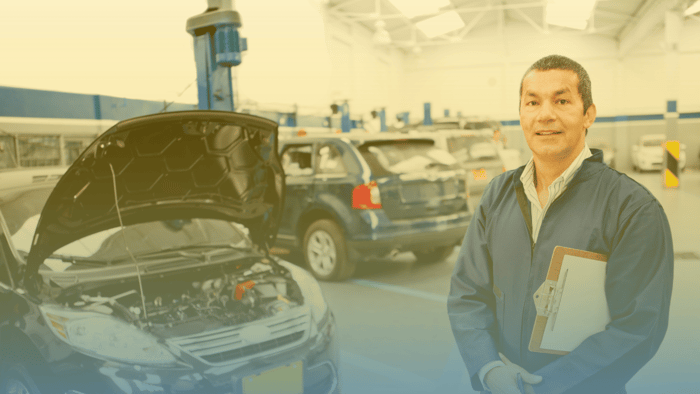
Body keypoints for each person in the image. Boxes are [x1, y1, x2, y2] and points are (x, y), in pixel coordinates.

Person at [447, 54, 673, 394]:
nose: (545, 114)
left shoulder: (631, 208)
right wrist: (488, 367)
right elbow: (467, 293)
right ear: (521, 114)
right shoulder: (497, 195)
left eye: (562, 100)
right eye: (532, 102)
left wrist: (545, 387)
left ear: (588, 115)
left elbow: (639, 325)